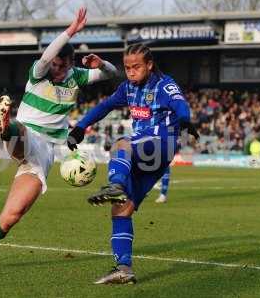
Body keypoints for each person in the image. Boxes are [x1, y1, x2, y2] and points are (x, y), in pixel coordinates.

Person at [0, 7, 118, 272]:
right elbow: (46, 57)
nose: (58, 69)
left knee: (11, 217)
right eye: (55, 64)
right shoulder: (38, 73)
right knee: (20, 133)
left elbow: (112, 74)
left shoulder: (77, 76)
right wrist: (70, 31)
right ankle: (5, 128)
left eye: (63, 65)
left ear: (71, 63)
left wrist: (102, 64)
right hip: (28, 132)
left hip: (46, 152)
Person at [67, 43, 199, 284]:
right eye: (127, 67)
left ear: (149, 65)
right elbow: (105, 106)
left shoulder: (163, 84)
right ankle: (123, 269)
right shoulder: (127, 87)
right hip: (147, 154)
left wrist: (185, 120)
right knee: (121, 209)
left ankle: (115, 184)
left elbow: (180, 104)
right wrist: (80, 127)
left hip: (163, 140)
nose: (130, 72)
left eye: (136, 67)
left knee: (120, 145)